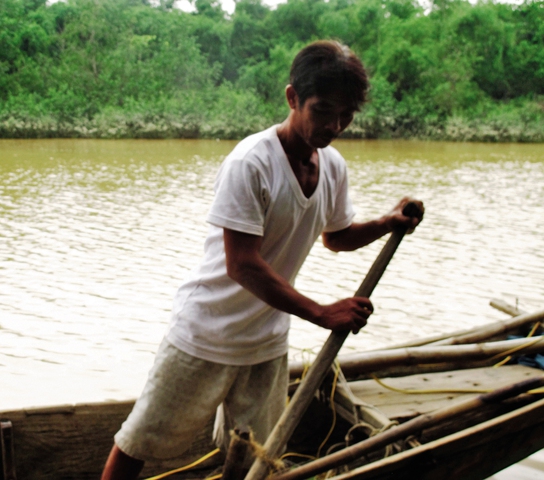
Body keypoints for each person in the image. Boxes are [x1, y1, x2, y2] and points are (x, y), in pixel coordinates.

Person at [101, 39, 423, 480]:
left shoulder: (332, 167)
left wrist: (389, 222)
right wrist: (321, 312)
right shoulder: (251, 163)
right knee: (138, 441)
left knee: (256, 456)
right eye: (323, 110)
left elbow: (338, 237)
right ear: (293, 98)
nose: (334, 124)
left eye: (345, 115)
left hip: (266, 342)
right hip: (206, 332)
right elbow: (242, 264)